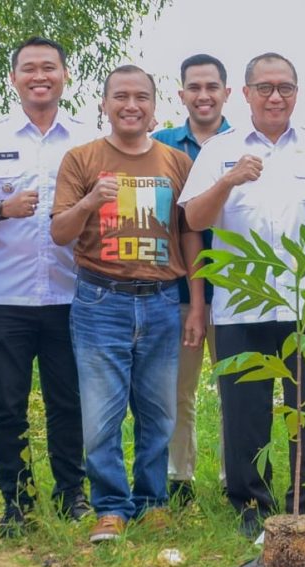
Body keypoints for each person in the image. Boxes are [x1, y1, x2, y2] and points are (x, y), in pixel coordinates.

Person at [179, 52, 305, 538]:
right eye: (266, 87)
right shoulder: (219, 149)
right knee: (244, 411)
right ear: (247, 93)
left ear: (297, 93)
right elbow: (194, 219)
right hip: (242, 305)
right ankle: (250, 505)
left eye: (286, 88)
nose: (276, 96)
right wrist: (228, 180)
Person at [50, 65, 203, 543]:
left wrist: (196, 303)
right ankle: (111, 507)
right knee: (101, 416)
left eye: (141, 96)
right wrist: (92, 199)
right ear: (104, 103)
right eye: (121, 96)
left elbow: (190, 232)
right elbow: (58, 232)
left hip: (160, 302)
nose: (131, 105)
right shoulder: (82, 158)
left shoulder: (176, 162)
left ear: (156, 107)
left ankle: (153, 501)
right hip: (100, 301)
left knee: (159, 413)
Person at [0, 37, 94, 531]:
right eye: (29, 68)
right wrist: (1, 209)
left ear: (64, 75)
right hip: (5, 298)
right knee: (8, 403)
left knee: (68, 401)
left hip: (71, 295)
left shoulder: (87, 137)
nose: (40, 76)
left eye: (49, 68)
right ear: (13, 78)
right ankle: (16, 502)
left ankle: (71, 495)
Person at [151, 53, 231, 505]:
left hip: (240, 290)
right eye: (194, 88)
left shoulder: (245, 141)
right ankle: (178, 477)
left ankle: (230, 476)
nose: (203, 95)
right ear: (181, 94)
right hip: (175, 288)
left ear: (226, 92)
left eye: (212, 87)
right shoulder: (159, 145)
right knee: (177, 390)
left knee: (233, 389)